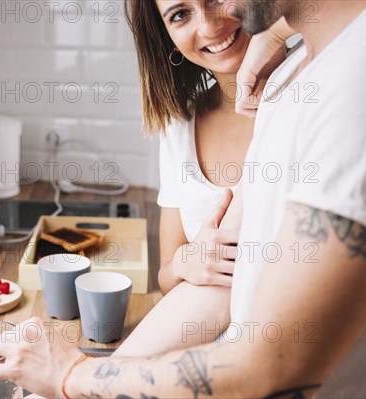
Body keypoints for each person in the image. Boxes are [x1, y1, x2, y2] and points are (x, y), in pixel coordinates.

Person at [0, 0, 366, 397]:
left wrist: (72, 375)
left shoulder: (351, 87)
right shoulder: (286, 87)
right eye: (180, 14)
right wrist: (71, 384)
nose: (217, 20)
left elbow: (268, 371)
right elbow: (214, 291)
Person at [112, 0, 266, 357]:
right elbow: (167, 277)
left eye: (215, 0)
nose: (210, 27)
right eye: (180, 14)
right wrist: (189, 260)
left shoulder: (304, 94)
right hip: (195, 360)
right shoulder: (180, 125)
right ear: (166, 38)